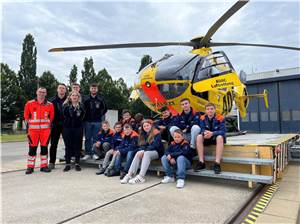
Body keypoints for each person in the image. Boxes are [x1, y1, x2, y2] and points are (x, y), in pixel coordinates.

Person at [120, 119, 164, 184]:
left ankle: (141, 177)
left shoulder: (156, 133)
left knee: (146, 154)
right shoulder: (143, 134)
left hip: (157, 152)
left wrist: (144, 151)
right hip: (147, 151)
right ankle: (129, 175)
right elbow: (141, 145)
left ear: (151, 125)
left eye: (147, 125)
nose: (146, 127)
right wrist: (142, 150)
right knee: (138, 153)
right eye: (144, 126)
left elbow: (155, 146)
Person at [24, 87, 54, 174]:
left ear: (46, 94)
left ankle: (44, 166)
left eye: (43, 92)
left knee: (44, 148)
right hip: (33, 131)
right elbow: (26, 116)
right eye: (40, 92)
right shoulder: (29, 103)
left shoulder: (50, 105)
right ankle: (30, 167)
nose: (41, 94)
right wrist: (29, 126)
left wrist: (48, 125)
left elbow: (51, 117)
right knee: (32, 149)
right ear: (37, 92)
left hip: (45, 131)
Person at [194, 102, 226, 174]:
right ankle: (201, 162)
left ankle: (217, 163)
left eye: (211, 109)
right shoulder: (202, 118)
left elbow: (223, 131)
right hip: (207, 137)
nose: (210, 111)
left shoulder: (220, 118)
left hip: (216, 138)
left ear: (215, 110)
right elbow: (202, 129)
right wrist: (204, 133)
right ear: (205, 111)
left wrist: (212, 133)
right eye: (208, 109)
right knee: (199, 136)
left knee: (220, 137)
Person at [82, 83, 107, 160]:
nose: (93, 89)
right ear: (90, 89)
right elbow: (82, 108)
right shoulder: (85, 99)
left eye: (95, 88)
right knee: (88, 138)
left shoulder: (101, 99)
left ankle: (95, 153)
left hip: (97, 121)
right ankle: (88, 153)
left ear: (97, 89)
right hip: (87, 121)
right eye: (92, 88)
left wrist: (99, 115)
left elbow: (105, 108)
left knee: (96, 138)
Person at [62, 91, 86, 172]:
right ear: (70, 97)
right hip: (67, 128)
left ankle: (77, 163)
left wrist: (77, 122)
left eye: (76, 95)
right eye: (73, 95)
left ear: (78, 97)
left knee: (78, 146)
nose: (74, 97)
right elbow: (64, 116)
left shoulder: (81, 106)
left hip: (78, 128)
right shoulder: (65, 106)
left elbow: (83, 116)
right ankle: (67, 164)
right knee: (68, 146)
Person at [48, 83, 67, 169]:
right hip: (55, 125)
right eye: (60, 88)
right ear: (57, 89)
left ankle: (68, 160)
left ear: (65, 90)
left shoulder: (68, 100)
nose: (61, 89)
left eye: (63, 88)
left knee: (68, 143)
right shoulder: (51, 101)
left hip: (65, 125)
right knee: (53, 144)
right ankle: (52, 162)